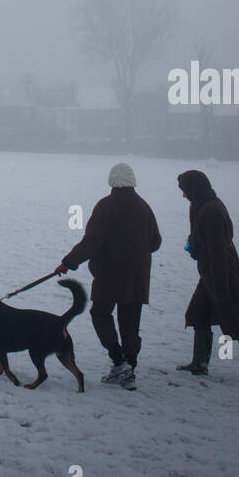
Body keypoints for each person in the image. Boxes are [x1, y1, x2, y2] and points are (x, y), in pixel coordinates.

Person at [55, 162, 161, 391]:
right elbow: (155, 242)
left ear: (112, 181)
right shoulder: (144, 206)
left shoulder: (106, 206)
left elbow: (91, 243)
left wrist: (68, 262)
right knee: (130, 324)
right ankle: (129, 369)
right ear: (132, 181)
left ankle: (119, 360)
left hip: (109, 274)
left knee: (100, 313)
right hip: (138, 276)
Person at [176, 169, 239, 385]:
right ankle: (199, 364)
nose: (183, 195)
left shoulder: (211, 210)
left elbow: (218, 252)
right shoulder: (200, 205)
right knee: (197, 313)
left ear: (195, 188)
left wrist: (220, 289)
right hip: (209, 273)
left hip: (224, 274)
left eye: (185, 191)